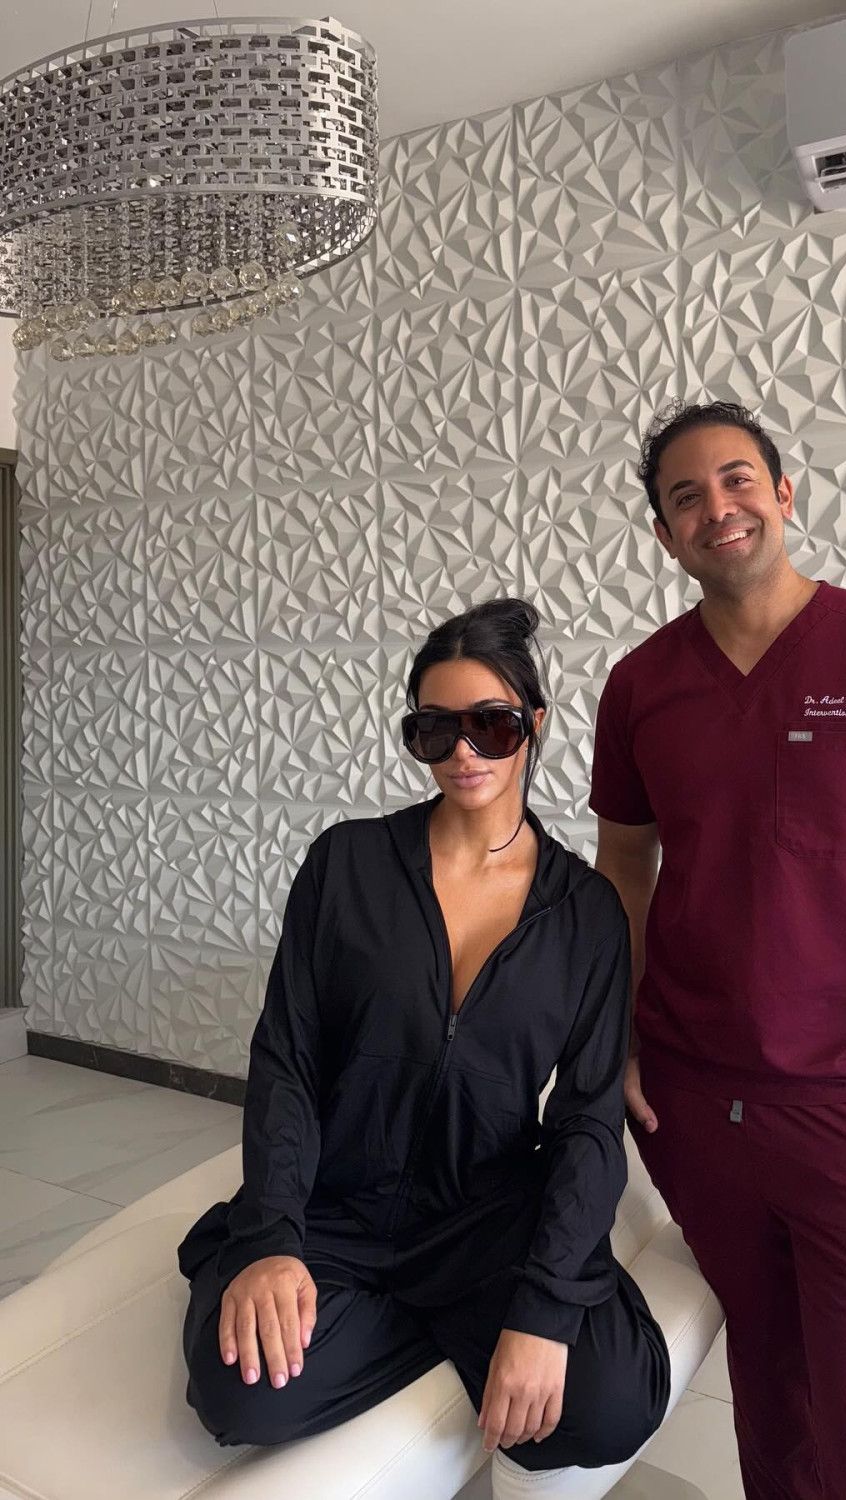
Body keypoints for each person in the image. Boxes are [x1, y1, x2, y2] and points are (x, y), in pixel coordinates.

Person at [591, 401, 846, 1500]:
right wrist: (615, 1040)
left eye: (738, 480)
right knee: (772, 1399)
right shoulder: (641, 687)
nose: (717, 509)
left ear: (783, 493)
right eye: (686, 497)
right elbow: (623, 870)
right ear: (665, 534)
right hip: (697, 1105)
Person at [178, 598, 669, 1497]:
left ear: (535, 723)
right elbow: (287, 1060)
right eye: (434, 730)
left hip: (485, 1212)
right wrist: (272, 1240)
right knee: (237, 1395)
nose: (464, 753)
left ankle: (438, 1314)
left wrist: (543, 1310)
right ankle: (442, 1323)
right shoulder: (347, 864)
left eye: (492, 725)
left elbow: (587, 1121)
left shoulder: (586, 912)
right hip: (339, 1204)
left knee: (612, 1404)